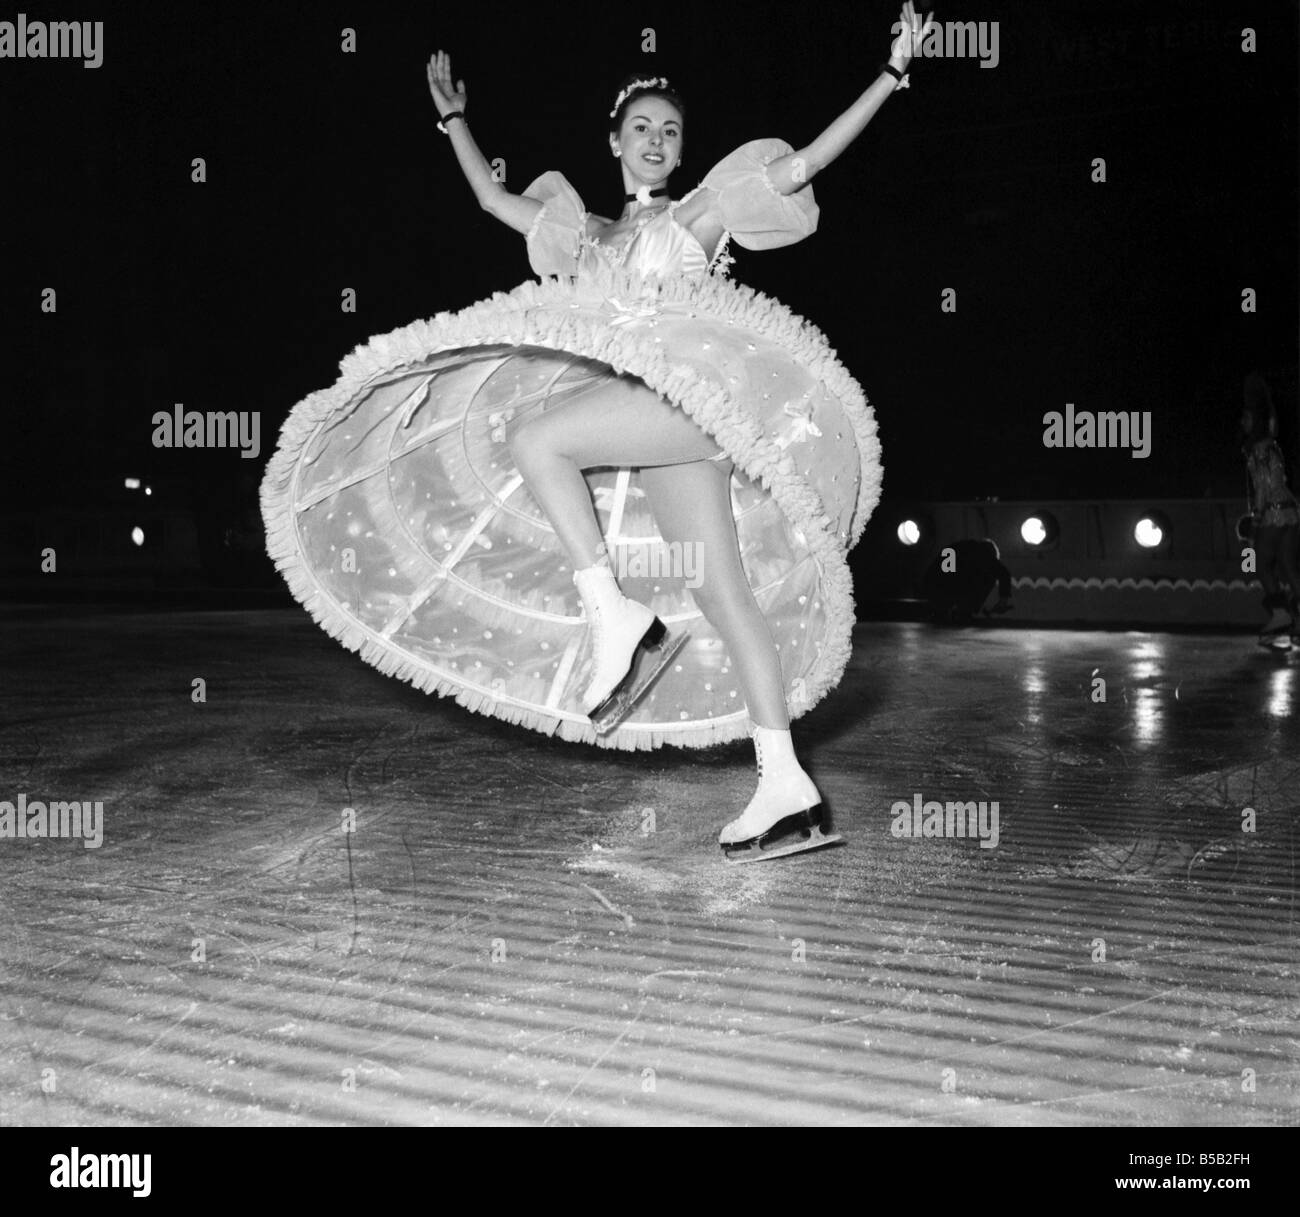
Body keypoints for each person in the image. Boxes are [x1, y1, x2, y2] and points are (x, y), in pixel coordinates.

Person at [261, 5, 935, 857]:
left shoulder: (697, 217)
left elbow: (801, 163)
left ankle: (612, 613)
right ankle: (786, 786)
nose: (657, 139)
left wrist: (893, 73)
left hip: (691, 405)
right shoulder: (583, 235)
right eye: (642, 127)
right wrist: (454, 118)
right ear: (614, 141)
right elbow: (490, 197)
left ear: (683, 150)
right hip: (666, 432)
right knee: (720, 596)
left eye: (671, 130)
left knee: (539, 439)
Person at [1239, 375, 1300, 649]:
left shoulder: (1258, 450)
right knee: (1288, 566)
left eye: (1247, 418)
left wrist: (1258, 519)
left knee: (1262, 565)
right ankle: (1295, 620)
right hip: (1291, 512)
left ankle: (1280, 616)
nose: (1243, 422)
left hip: (1274, 513)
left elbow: (1263, 486)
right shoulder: (1274, 447)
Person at [922, 538, 1013, 622]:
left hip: (931, 585)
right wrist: (1002, 601)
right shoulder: (983, 552)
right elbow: (1004, 574)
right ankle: (965, 611)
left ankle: (944, 612)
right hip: (946, 587)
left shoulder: (961, 547)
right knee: (990, 575)